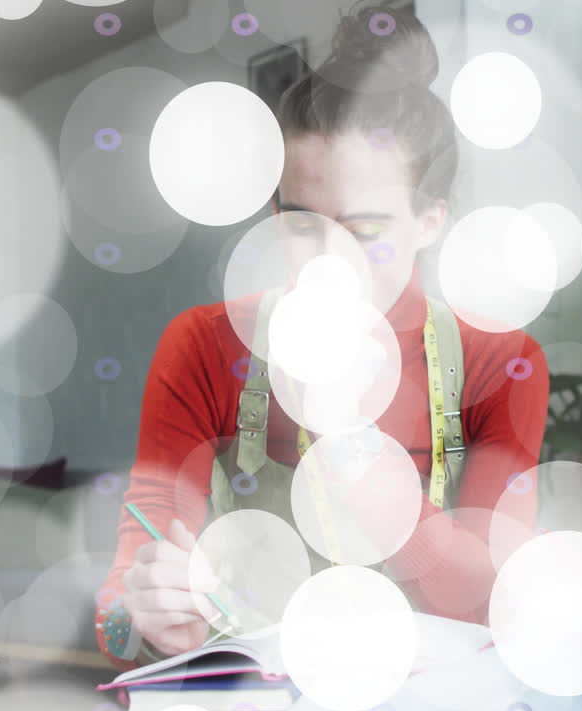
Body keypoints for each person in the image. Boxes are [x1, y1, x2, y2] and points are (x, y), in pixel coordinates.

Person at [95, 3, 550, 670]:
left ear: (430, 220)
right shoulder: (204, 346)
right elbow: (118, 614)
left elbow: (492, 609)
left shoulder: (502, 363)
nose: (330, 262)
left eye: (364, 232)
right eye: (303, 225)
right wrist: (140, 619)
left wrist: (354, 453)